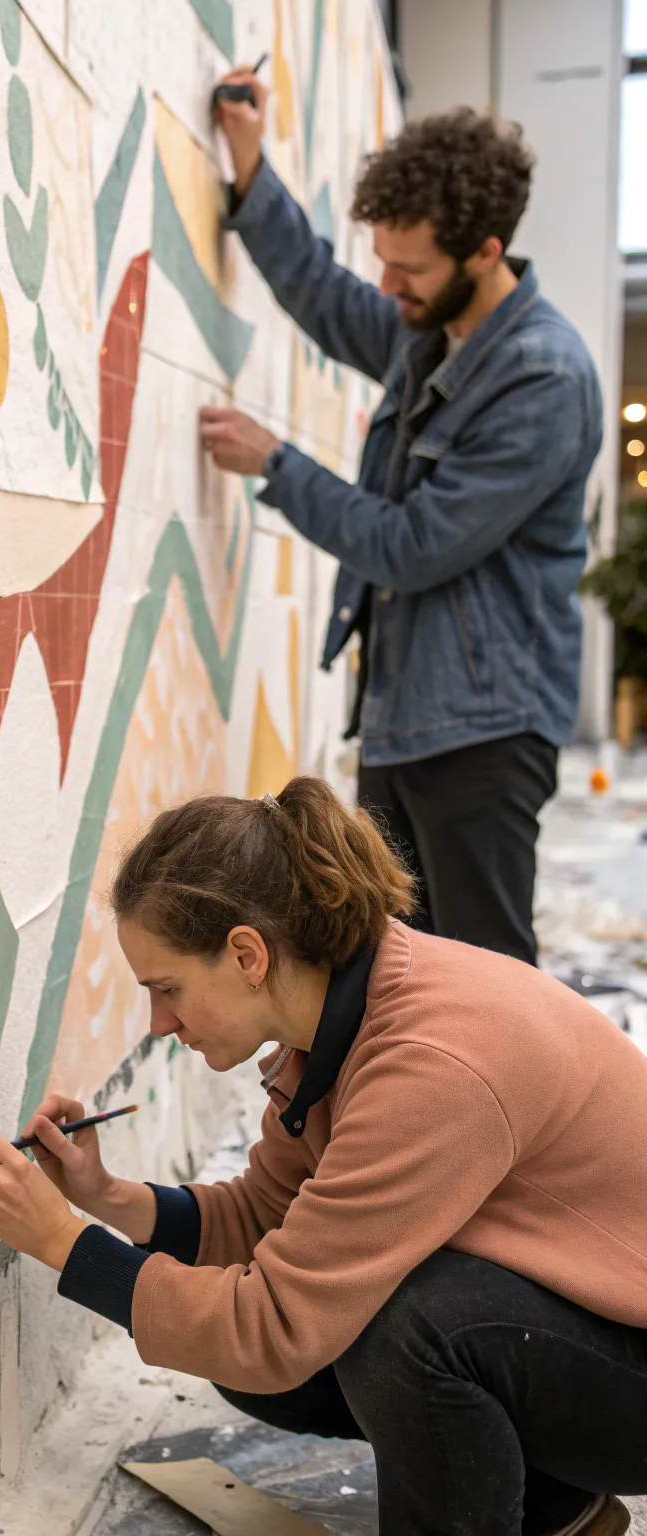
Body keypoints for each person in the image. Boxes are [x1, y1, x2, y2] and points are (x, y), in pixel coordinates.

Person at [0, 778, 647, 1536]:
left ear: (247, 953)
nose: (160, 1024)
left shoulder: (428, 1062)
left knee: (409, 1322)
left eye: (168, 988)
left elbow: (275, 1325)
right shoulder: (341, 1011)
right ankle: (563, 1514)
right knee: (298, 1337)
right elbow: (270, 1217)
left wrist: (63, 1243)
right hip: (594, 1328)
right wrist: (106, 1196)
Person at [198, 81, 603, 967]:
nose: (389, 287)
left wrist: (276, 462)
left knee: (488, 987)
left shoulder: (542, 379)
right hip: (410, 716)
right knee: (402, 975)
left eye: (408, 271)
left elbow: (412, 545)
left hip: (485, 735)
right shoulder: (437, 330)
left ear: (485, 251)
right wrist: (249, 162)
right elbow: (327, 295)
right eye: (383, 261)